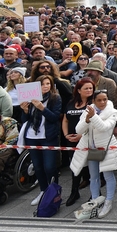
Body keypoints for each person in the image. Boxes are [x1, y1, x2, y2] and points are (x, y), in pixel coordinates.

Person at [70, 88, 117, 218]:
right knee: (93, 177)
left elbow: (104, 127)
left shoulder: (113, 111)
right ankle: (95, 201)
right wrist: (87, 119)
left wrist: (92, 117)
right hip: (90, 148)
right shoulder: (88, 111)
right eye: (99, 100)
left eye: (105, 99)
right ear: (93, 101)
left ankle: (108, 201)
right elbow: (78, 129)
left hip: (106, 148)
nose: (102, 102)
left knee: (108, 175)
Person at [21, 74, 62, 205]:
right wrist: (25, 110)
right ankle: (43, 190)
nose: (46, 86)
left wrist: (42, 108)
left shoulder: (55, 98)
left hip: (48, 137)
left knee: (49, 166)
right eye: (43, 84)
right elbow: (24, 121)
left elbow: (55, 117)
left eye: (48, 84)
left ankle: (54, 191)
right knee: (37, 167)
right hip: (31, 136)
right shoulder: (31, 99)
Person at [62, 78, 94, 206]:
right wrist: (66, 135)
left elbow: (93, 122)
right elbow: (65, 120)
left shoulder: (94, 103)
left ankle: (94, 193)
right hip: (72, 140)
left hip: (89, 140)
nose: (89, 90)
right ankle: (74, 191)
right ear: (79, 90)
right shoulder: (71, 102)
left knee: (93, 167)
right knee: (75, 166)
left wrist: (80, 135)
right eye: (86, 88)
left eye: (91, 88)